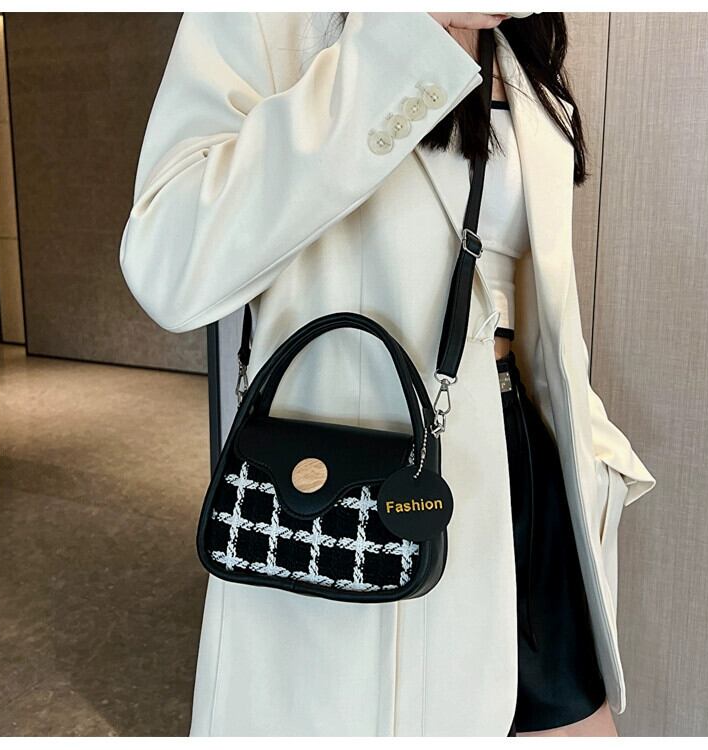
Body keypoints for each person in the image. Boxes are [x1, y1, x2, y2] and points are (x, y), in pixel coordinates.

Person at [119, 11, 657, 737]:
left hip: (520, 472)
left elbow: (522, 289)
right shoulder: (273, 19)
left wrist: (594, 448)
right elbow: (169, 264)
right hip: (357, 490)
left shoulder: (515, 34)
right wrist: (409, 36)